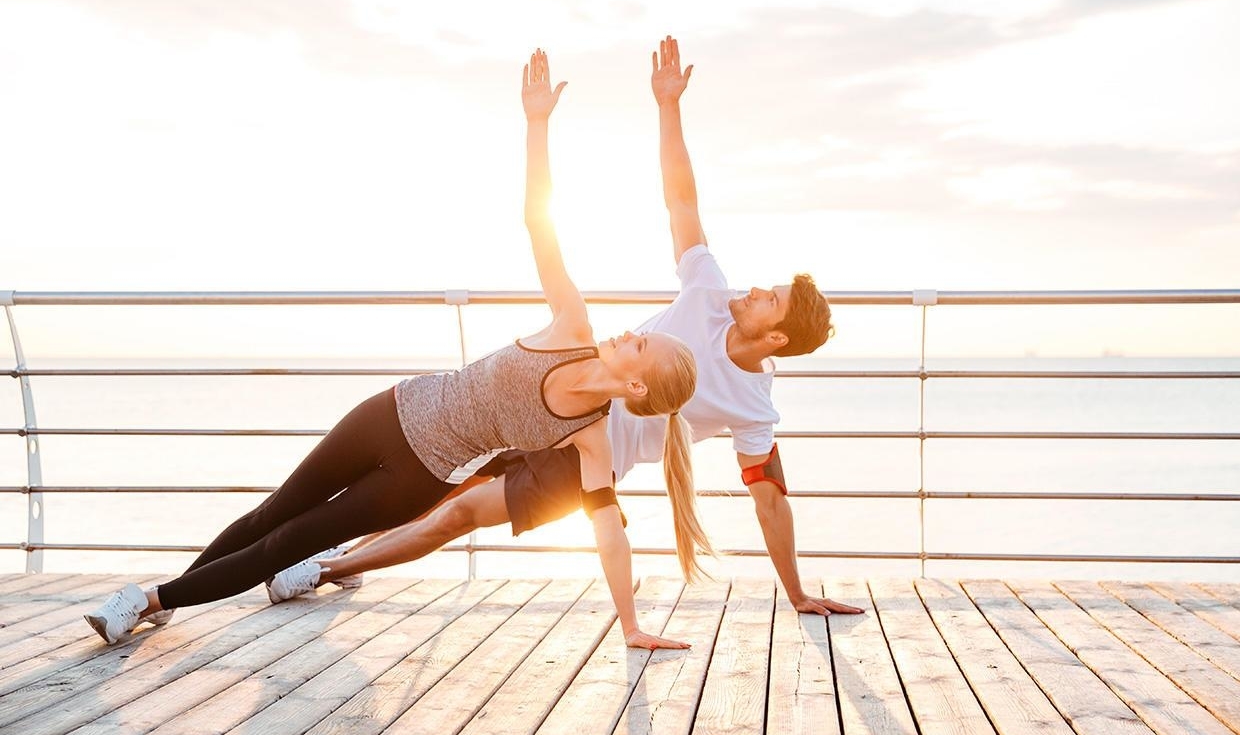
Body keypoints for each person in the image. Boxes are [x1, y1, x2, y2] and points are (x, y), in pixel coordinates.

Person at [83, 48, 705, 648]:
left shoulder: (592, 438)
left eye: (641, 344)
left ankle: (148, 601)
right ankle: (172, 595)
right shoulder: (573, 325)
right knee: (274, 511)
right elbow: (538, 222)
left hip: (416, 477)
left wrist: (629, 624)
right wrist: (537, 122)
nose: (629, 331)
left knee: (287, 544)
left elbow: (609, 534)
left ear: (637, 386)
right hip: (390, 411)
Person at [268, 36, 863, 643]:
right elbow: (680, 198)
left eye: (772, 300)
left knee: (456, 515)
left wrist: (796, 594)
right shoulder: (709, 289)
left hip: (587, 463)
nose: (758, 290)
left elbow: (770, 503)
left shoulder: (754, 409)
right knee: (441, 482)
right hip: (558, 399)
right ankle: (330, 551)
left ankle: (323, 568)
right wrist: (667, 106)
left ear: (777, 336)